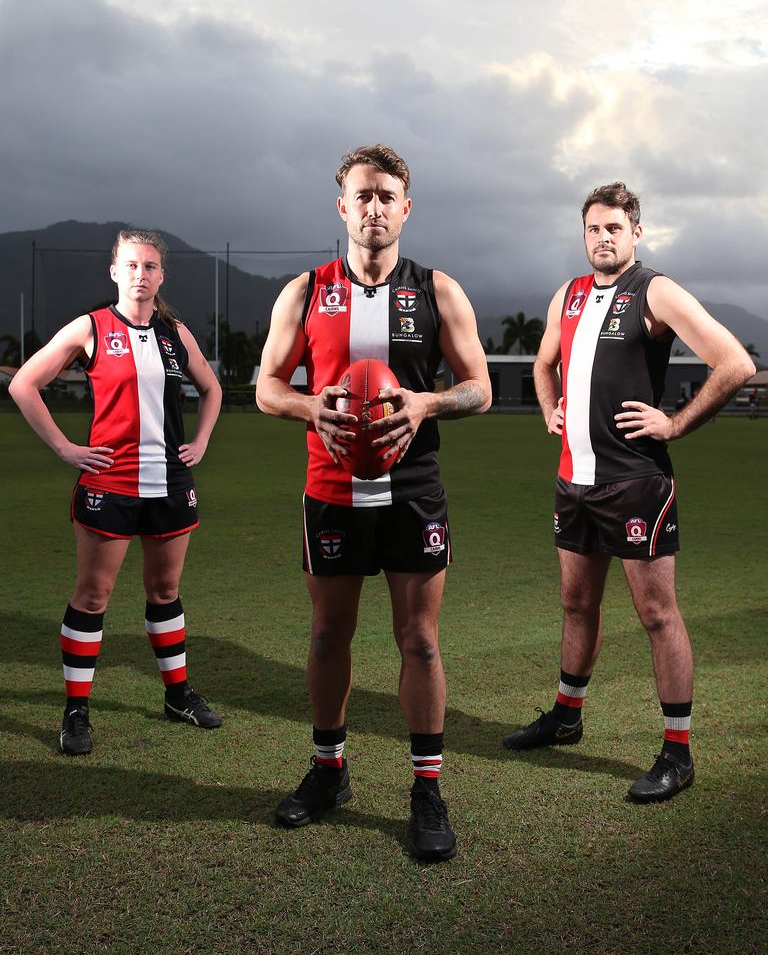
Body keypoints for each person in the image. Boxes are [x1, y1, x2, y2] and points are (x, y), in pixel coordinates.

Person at [256, 144, 491, 860]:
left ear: (406, 207)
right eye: (363, 195)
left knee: (419, 639)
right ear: (342, 207)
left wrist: (427, 402)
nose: (375, 207)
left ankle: (427, 790)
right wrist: (306, 408)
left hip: (412, 490)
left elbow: (481, 387)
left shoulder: (438, 290)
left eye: (388, 195)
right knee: (329, 635)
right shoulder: (304, 290)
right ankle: (329, 772)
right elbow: (266, 386)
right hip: (331, 489)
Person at [502, 182, 755, 802]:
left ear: (635, 231)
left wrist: (674, 422)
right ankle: (566, 715)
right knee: (575, 605)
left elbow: (735, 363)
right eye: (593, 229)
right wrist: (548, 410)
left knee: (656, 614)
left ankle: (677, 751)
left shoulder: (655, 291)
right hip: (573, 481)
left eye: (614, 228)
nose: (602, 238)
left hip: (636, 483)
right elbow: (542, 365)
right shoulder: (568, 293)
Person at [10, 229, 223, 755]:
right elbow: (23, 384)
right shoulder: (92, 327)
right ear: (114, 271)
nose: (140, 275)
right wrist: (65, 449)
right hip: (110, 482)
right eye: (131, 265)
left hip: (170, 484)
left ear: (161, 275)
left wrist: (200, 441)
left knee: (165, 592)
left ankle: (177, 696)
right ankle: (76, 711)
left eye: (150, 266)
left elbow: (212, 388)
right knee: (93, 595)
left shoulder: (176, 332)